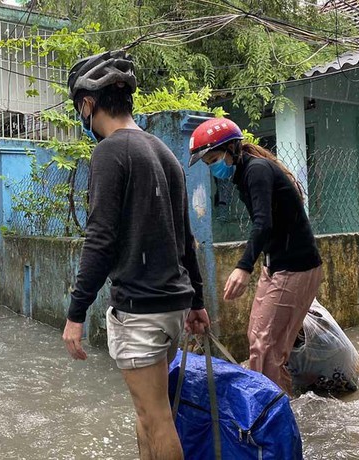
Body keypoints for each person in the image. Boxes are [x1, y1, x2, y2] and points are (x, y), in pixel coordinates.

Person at [62, 50, 211, 460]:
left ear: (88, 104)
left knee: (156, 417)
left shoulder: (109, 152)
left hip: (141, 307)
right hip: (172, 306)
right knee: (147, 415)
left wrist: (76, 314)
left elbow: (100, 238)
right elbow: (187, 240)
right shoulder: (166, 153)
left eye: (81, 109)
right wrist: (197, 301)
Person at [187, 117, 323, 396]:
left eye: (214, 159)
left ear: (233, 149)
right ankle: (276, 407)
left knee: (264, 346)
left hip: (294, 267)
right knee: (259, 341)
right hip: (277, 266)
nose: (213, 168)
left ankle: (268, 417)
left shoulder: (256, 170)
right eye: (208, 163)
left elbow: (263, 223)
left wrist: (243, 267)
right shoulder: (246, 173)